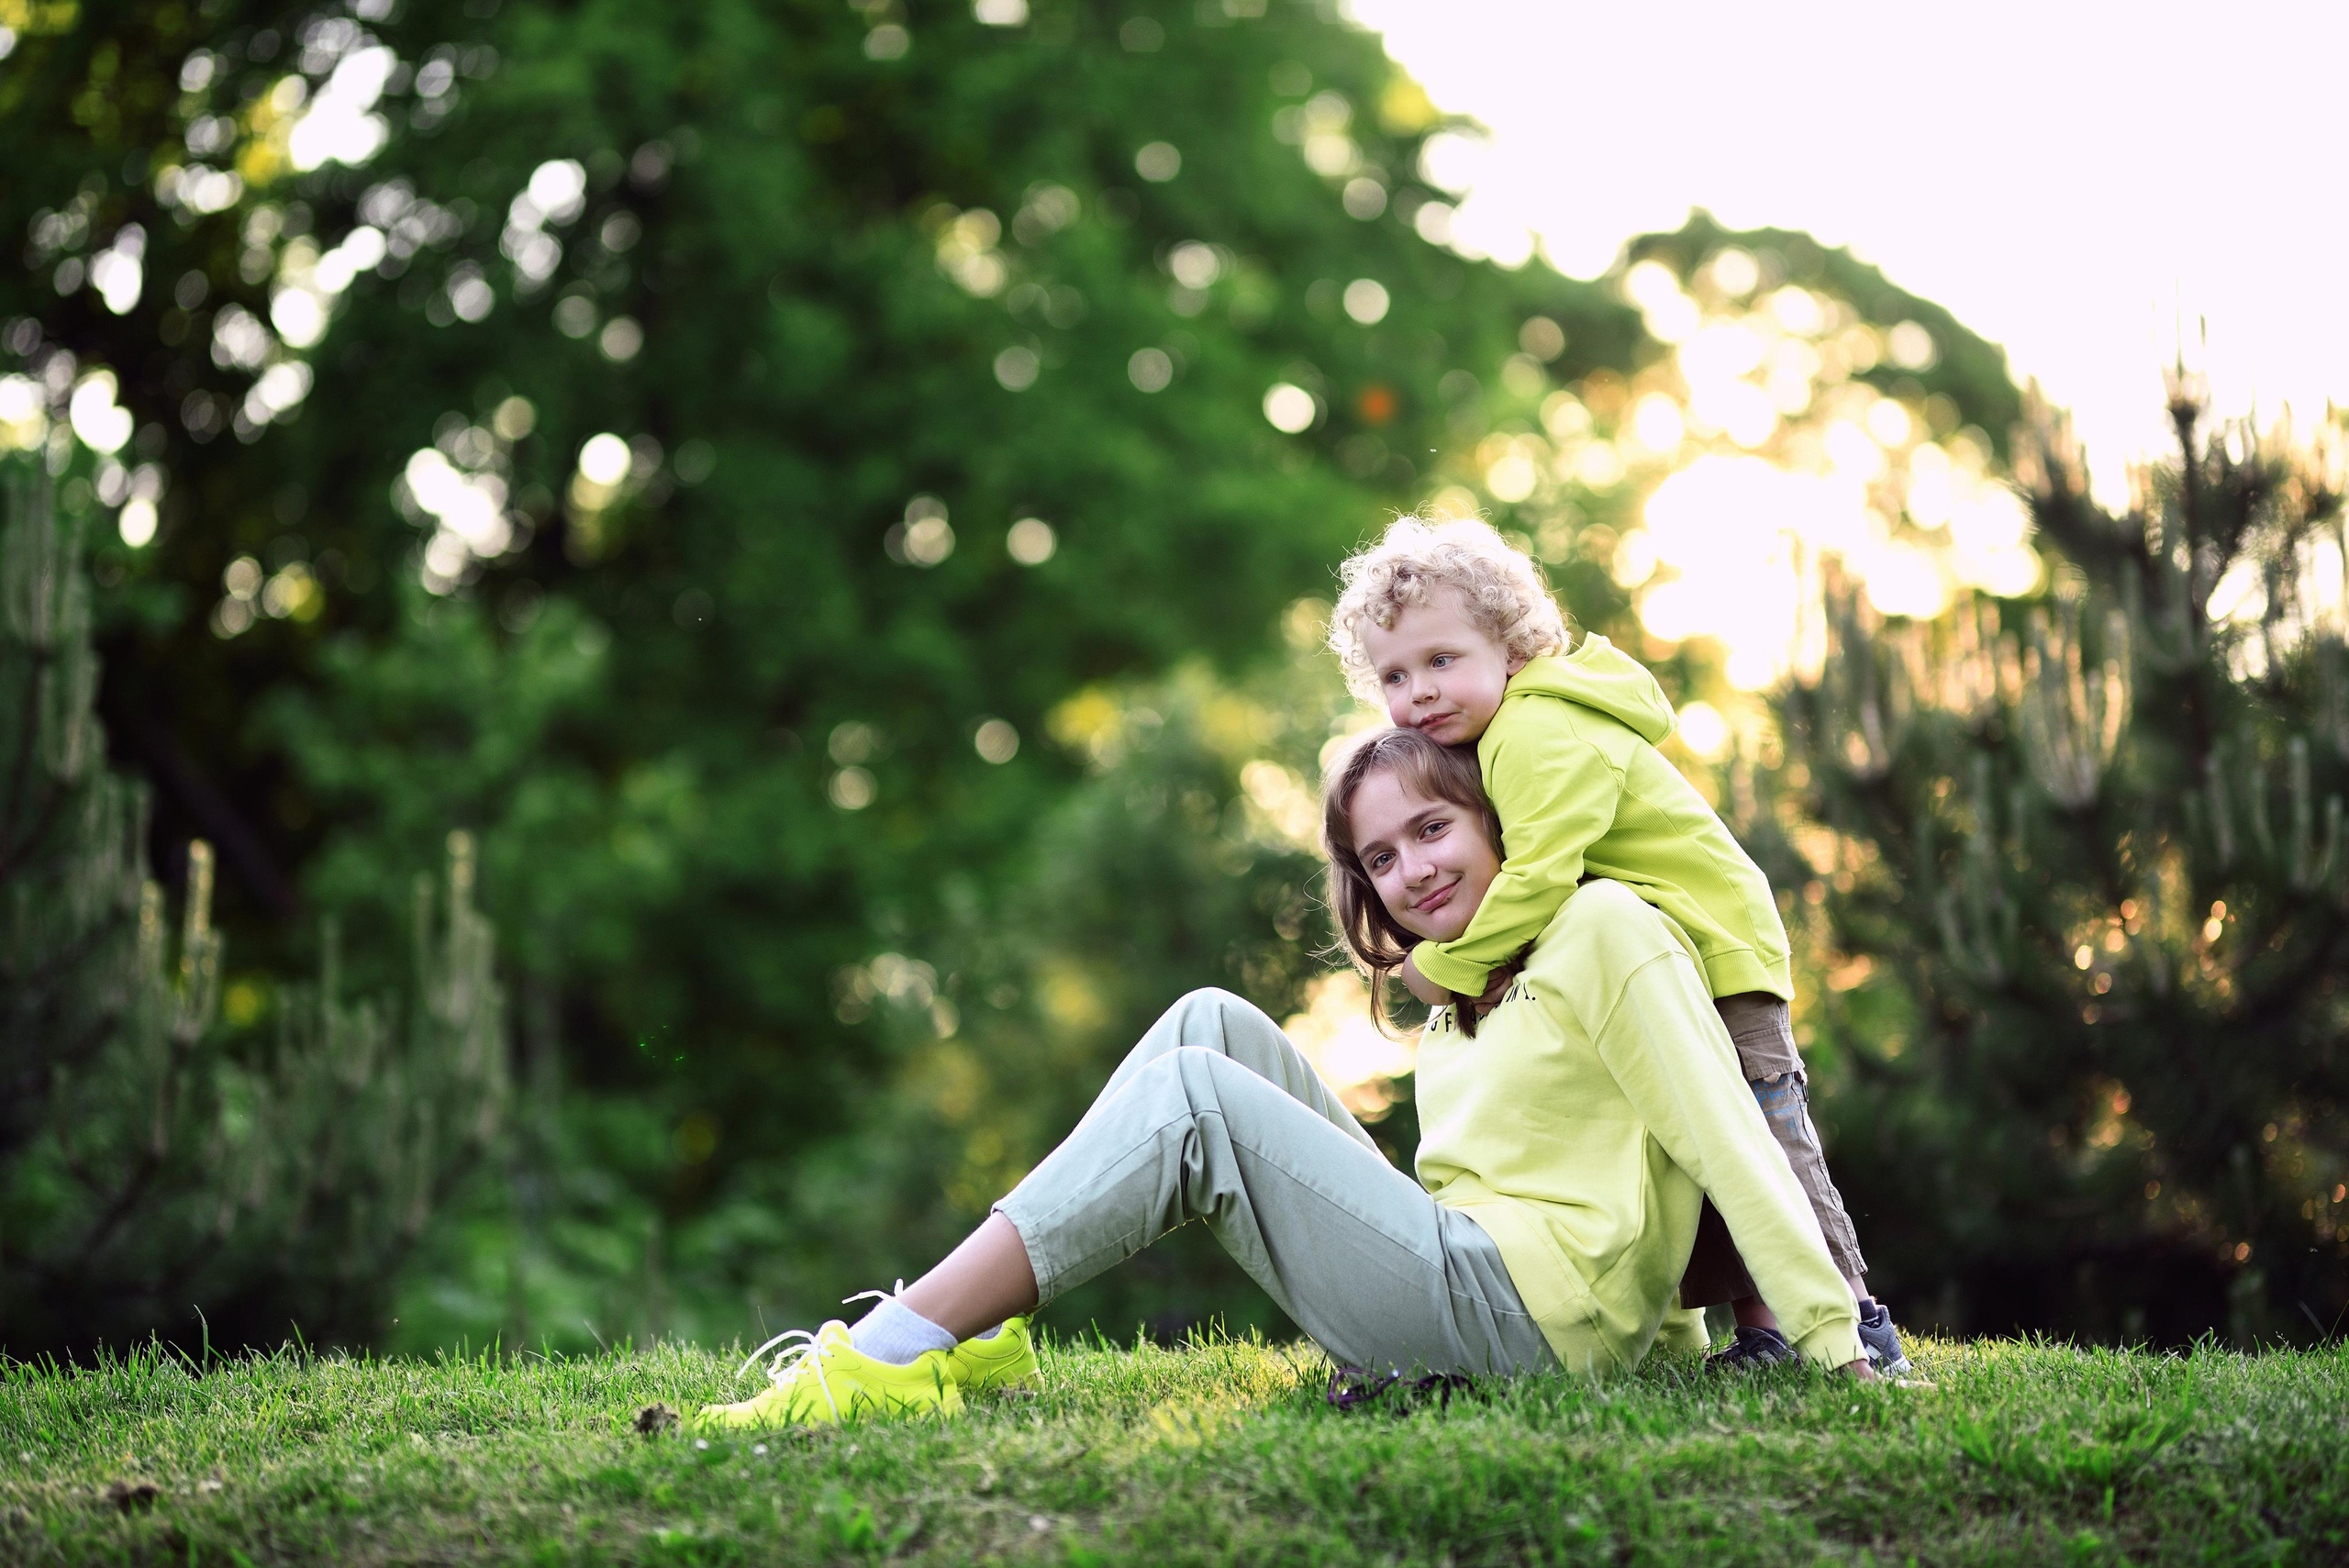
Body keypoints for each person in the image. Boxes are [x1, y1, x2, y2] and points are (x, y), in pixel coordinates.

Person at [691, 727, 1871, 1431]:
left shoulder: (1608, 928)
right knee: (1209, 1020)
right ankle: (974, 1328)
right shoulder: (1465, 983)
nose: (1409, 870)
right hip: (1473, 1273)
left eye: (1433, 829)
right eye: (1379, 855)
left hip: (1542, 1324)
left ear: (1500, 821)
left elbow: (1729, 1132)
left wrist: (1837, 1342)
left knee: (1196, 1099)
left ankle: (881, 1354)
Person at [1325, 515, 1909, 1375]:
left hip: (1717, 948)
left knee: (1754, 1130)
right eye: (1396, 675)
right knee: (1683, 1135)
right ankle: (1758, 1332)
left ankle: (1854, 1323)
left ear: (1512, 644)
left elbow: (1539, 879)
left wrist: (1446, 968)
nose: (1421, 692)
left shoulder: (1533, 731)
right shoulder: (1492, 740)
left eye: (1443, 660)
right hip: (1667, 944)